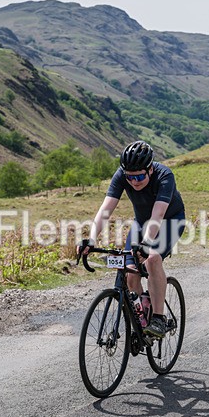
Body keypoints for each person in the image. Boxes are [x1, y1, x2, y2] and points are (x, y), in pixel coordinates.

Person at [78, 141, 185, 338]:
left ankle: (159, 319)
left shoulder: (165, 176)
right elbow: (105, 210)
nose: (134, 182)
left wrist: (146, 244)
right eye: (130, 177)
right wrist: (91, 239)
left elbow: (158, 214)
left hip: (170, 221)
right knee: (131, 272)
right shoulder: (122, 176)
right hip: (142, 223)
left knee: (152, 259)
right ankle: (143, 313)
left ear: (150, 169)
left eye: (139, 176)